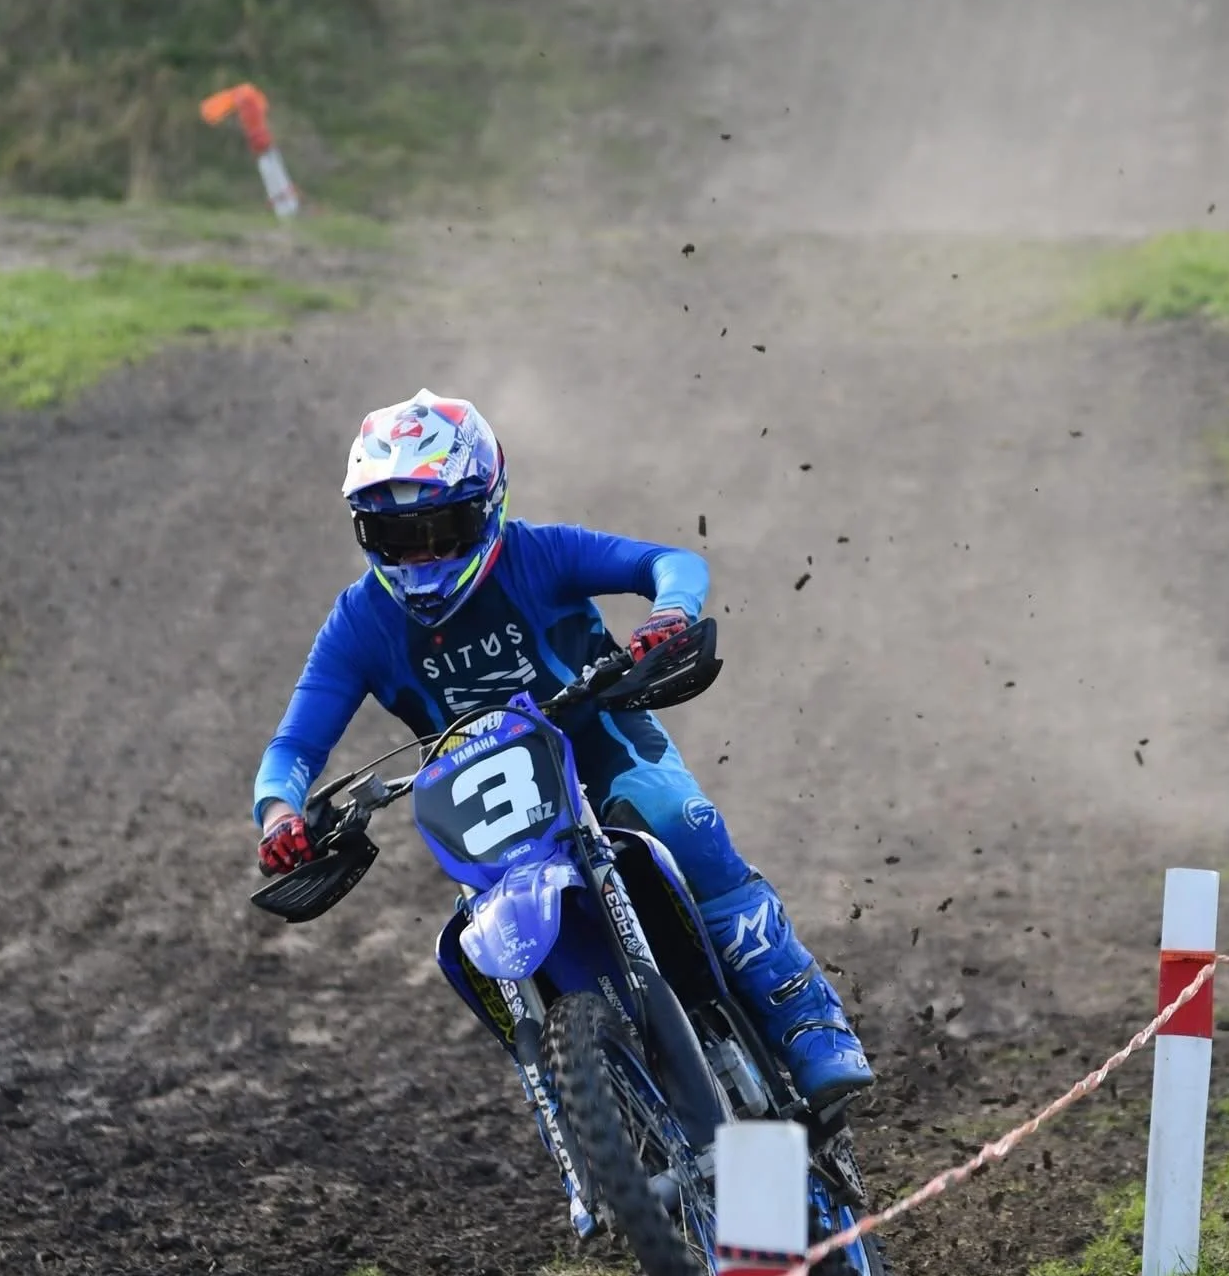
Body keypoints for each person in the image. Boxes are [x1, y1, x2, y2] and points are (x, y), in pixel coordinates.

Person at [254, 389, 873, 1110]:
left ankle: (809, 1021)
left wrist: (670, 615)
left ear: (487, 506)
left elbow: (670, 563)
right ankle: (579, 1106)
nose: (420, 557)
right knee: (481, 946)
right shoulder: (359, 623)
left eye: (441, 530)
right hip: (487, 809)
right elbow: (294, 745)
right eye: (396, 538)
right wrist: (280, 815)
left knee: (680, 823)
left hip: (606, 752)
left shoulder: (540, 555)